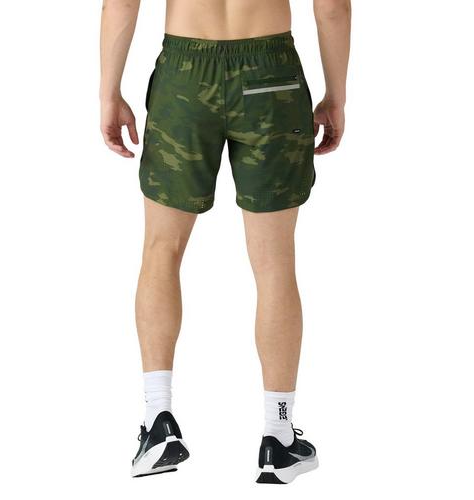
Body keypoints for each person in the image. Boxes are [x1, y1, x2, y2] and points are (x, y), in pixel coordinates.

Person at [100, 0, 350, 484]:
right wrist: (335, 95)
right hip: (270, 75)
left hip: (185, 76)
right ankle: (278, 437)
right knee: (274, 262)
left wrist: (109, 92)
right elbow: (333, 8)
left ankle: (158, 422)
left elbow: (122, 2)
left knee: (162, 249)